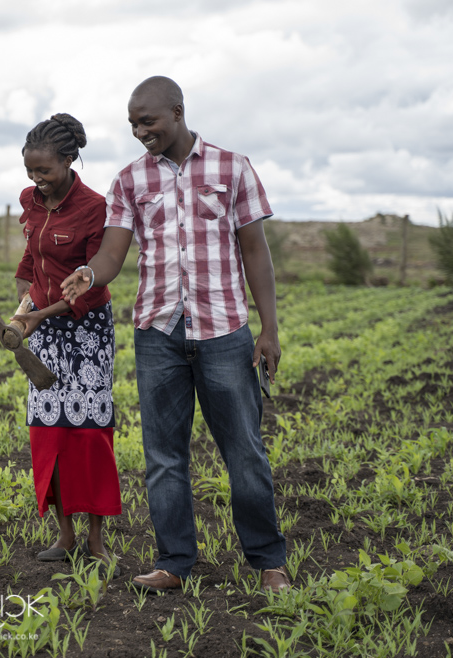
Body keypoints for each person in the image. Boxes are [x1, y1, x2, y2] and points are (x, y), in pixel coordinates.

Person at [61, 77, 290, 594]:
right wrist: (89, 273)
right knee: (164, 457)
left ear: (178, 112)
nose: (141, 132)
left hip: (224, 331)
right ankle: (174, 563)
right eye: (133, 125)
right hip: (158, 331)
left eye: (149, 121)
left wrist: (269, 328)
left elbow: (255, 250)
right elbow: (114, 254)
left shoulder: (233, 168)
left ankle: (268, 562)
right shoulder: (129, 181)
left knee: (245, 452)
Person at [10, 113, 123, 575]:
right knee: (50, 430)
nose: (37, 181)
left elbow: (93, 284)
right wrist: (22, 307)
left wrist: (39, 313)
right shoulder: (30, 200)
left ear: (70, 160)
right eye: (30, 172)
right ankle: (66, 535)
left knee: (88, 434)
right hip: (42, 331)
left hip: (86, 333)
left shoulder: (95, 206)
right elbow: (31, 257)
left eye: (46, 172)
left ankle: (96, 540)